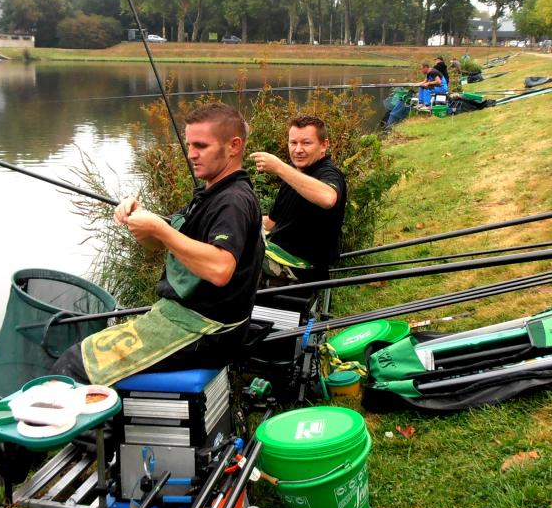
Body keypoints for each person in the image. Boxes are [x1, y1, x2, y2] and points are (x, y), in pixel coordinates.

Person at [52, 102, 263, 385]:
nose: (191, 154)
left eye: (201, 145)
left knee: (74, 366)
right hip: (183, 317)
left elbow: (220, 268)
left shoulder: (233, 201)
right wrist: (139, 218)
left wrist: (161, 229)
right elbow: (158, 244)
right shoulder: (212, 192)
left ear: (234, 146)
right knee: (79, 353)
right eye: (189, 145)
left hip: (208, 331)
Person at [249, 115, 348, 283]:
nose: (298, 150)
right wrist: (236, 222)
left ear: (324, 145)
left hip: (301, 269)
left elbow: (327, 198)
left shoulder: (328, 173)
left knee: (231, 262)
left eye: (306, 143)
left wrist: (279, 167)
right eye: (293, 143)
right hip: (277, 254)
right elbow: (272, 223)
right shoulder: (294, 175)